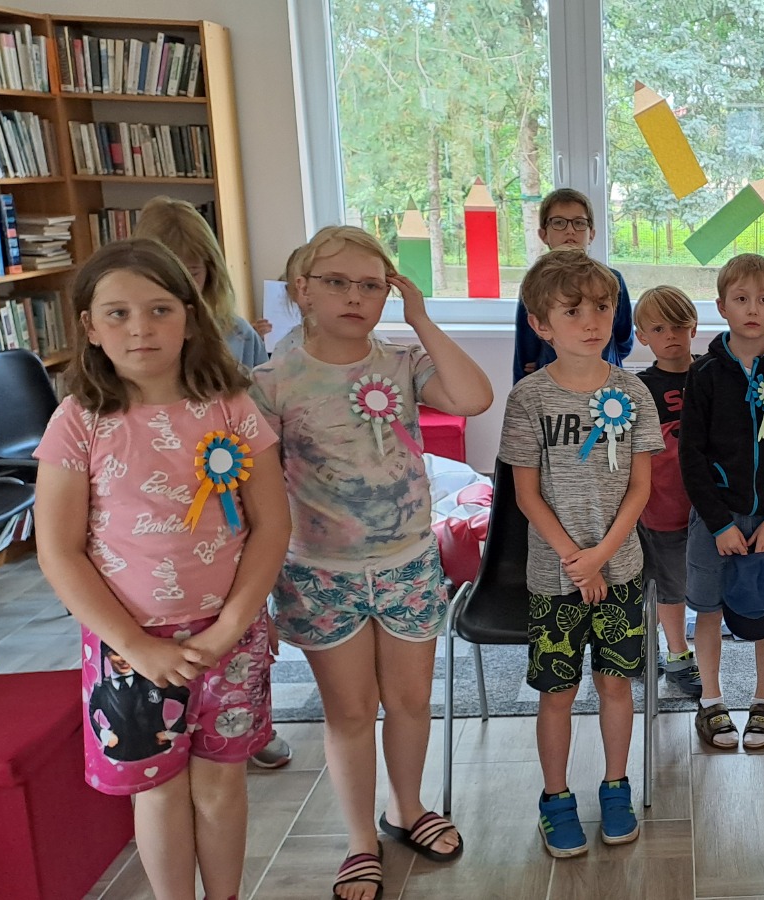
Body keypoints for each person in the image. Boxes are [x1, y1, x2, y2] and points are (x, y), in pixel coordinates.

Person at [33, 239, 291, 900]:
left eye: (159, 309)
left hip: (229, 639)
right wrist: (136, 645)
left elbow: (271, 526)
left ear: (190, 316)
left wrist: (231, 627)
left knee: (221, 785)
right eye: (117, 313)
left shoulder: (233, 408)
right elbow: (58, 550)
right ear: (90, 327)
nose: (140, 328)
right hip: (129, 648)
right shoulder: (78, 422)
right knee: (158, 791)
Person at [251, 226, 492, 900]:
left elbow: (473, 398)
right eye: (337, 283)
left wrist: (421, 320)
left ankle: (406, 808)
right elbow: (255, 499)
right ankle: (360, 839)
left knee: (411, 700)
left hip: (407, 562)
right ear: (302, 290)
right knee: (351, 712)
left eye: (371, 284)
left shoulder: (402, 362)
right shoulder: (270, 382)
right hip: (319, 572)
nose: (355, 296)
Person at [499, 250, 664, 858]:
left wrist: (602, 558)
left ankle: (616, 788)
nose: (591, 320)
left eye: (601, 306)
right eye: (572, 311)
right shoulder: (528, 398)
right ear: (541, 324)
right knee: (558, 693)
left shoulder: (633, 392)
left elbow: (641, 489)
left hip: (620, 570)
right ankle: (555, 797)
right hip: (554, 577)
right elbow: (526, 493)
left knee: (616, 686)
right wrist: (576, 559)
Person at [135, 198, 295, 770]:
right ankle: (160, 733)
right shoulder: (129, 341)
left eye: (196, 271)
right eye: (171, 273)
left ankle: (248, 723)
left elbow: (256, 418)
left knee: (245, 609)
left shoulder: (236, 332)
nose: (186, 285)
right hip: (158, 514)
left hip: (231, 499)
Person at [681, 253, 764, 753]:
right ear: (722, 306)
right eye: (741, 299)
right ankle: (711, 701)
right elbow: (691, 455)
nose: (752, 309)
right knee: (709, 610)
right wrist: (718, 524)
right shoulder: (704, 373)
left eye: (763, 299)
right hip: (713, 521)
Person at [634, 285, 704, 697]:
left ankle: (700, 653)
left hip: (712, 506)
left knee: (708, 587)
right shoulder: (637, 389)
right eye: (659, 328)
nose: (671, 335)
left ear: (693, 326)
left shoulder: (714, 374)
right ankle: (677, 654)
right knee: (669, 585)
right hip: (663, 507)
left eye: (679, 325)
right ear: (642, 336)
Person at [512, 188, 634, 382]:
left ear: (591, 233)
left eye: (579, 223)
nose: (570, 230)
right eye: (559, 223)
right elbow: (525, 350)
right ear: (543, 234)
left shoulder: (612, 279)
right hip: (551, 382)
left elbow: (624, 340)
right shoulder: (535, 283)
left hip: (607, 381)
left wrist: (598, 357)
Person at [133, 196, 268, 370]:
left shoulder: (239, 334)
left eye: (193, 274)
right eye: (166, 277)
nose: (182, 287)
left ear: (211, 271)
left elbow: (263, 385)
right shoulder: (133, 338)